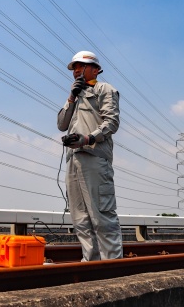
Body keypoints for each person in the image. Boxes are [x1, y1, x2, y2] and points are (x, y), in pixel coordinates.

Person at [57, 50, 123, 261]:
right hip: (74, 158)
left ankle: (112, 266)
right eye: (74, 68)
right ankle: (91, 264)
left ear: (94, 69)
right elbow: (61, 125)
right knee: (80, 217)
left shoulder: (105, 89)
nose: (76, 71)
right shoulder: (75, 96)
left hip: (94, 156)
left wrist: (88, 139)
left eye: (80, 66)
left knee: (101, 215)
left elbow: (111, 123)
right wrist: (71, 97)